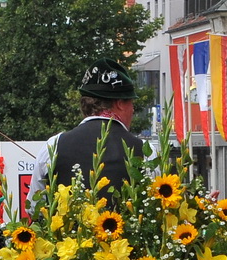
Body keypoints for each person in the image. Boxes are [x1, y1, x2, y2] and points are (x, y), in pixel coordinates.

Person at [27, 59, 145, 199]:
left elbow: (35, 207)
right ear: (119, 103)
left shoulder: (53, 145)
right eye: (131, 103)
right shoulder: (145, 150)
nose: (133, 110)